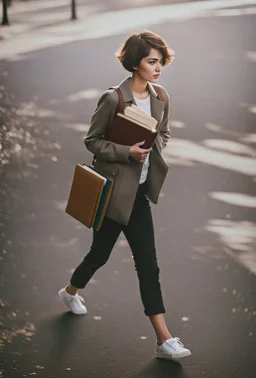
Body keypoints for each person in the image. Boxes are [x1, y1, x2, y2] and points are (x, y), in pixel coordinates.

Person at [58, 30, 191, 360]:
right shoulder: (112, 99)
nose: (158, 68)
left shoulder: (161, 97)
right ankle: (69, 292)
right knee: (99, 255)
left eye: (160, 62)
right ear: (135, 63)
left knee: (148, 266)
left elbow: (164, 132)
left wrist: (151, 149)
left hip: (139, 197)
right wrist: (126, 151)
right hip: (112, 195)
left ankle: (164, 340)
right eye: (151, 62)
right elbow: (92, 141)